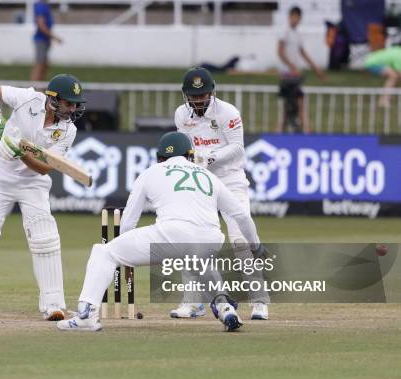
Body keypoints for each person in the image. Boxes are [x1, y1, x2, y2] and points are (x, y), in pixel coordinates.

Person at [57, 132, 267, 332]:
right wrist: (255, 246)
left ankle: (86, 316)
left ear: (160, 158)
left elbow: (129, 221)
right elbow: (241, 216)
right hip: (211, 238)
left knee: (103, 252)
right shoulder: (207, 175)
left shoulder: (150, 173)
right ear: (190, 155)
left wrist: (125, 256)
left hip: (171, 234)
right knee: (199, 262)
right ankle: (225, 307)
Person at [0, 74, 87, 321]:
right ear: (53, 99)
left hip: (34, 184)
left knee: (44, 237)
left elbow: (44, 167)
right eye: (68, 103)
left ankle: (53, 303)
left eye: (75, 104)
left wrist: (17, 150)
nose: (73, 108)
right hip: (0, 176)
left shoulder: (68, 130)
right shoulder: (28, 98)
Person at [172, 67, 270, 320]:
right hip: (201, 181)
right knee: (191, 237)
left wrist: (212, 157)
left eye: (203, 95)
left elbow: (238, 147)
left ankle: (259, 302)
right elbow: (185, 147)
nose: (198, 100)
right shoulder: (181, 114)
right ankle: (192, 302)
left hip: (230, 179)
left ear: (211, 92)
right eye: (193, 96)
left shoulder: (227, 112)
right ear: (186, 96)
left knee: (239, 241)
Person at [277, 5, 326, 133]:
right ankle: (304, 129)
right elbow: (281, 53)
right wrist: (293, 67)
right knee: (291, 106)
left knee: (295, 105)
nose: (296, 20)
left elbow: (303, 53)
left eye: (298, 18)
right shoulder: (285, 32)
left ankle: (303, 128)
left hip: (295, 76)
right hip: (287, 75)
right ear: (290, 17)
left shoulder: (297, 34)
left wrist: (316, 69)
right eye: (294, 17)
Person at [30, 0, 62, 81]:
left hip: (44, 40)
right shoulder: (41, 6)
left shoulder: (44, 6)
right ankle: (34, 88)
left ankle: (40, 86)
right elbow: (41, 25)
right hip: (41, 39)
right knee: (40, 65)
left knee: (45, 65)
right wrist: (54, 37)